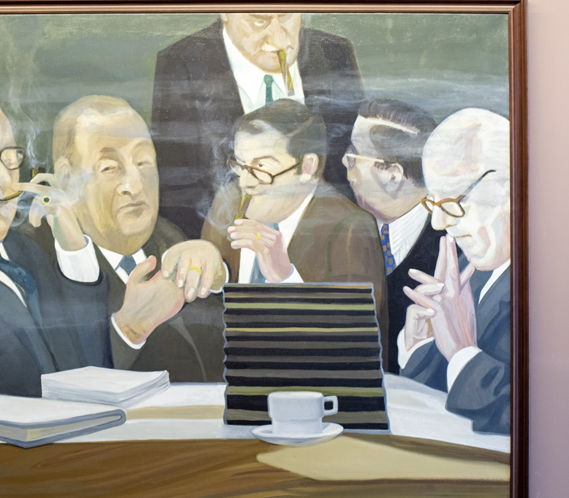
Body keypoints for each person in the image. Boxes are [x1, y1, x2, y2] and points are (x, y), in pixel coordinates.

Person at [0, 92, 182, 425]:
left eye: (9, 159)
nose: (1, 181)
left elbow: (80, 366)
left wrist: (74, 246)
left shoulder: (25, 251)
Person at [24, 95, 227, 382]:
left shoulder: (168, 238)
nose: (134, 185)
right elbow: (57, 379)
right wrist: (129, 329)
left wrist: (218, 272)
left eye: (143, 162)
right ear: (67, 178)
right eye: (108, 168)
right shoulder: (35, 261)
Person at [201, 99, 388, 357]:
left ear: (307, 167)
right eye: (241, 166)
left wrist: (286, 277)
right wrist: (208, 269)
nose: (245, 183)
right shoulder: (229, 200)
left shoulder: (350, 227)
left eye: (261, 168)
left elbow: (353, 337)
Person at [152, 13, 365, 238]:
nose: (279, 40)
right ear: (225, 12)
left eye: (286, 16)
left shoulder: (335, 53)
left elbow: (349, 166)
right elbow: (177, 191)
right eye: (259, 21)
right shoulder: (181, 63)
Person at [400, 108, 512, 434]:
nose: (438, 223)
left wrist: (461, 350)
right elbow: (441, 396)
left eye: (452, 201)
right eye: (433, 203)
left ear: (508, 189)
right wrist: (424, 344)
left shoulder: (563, 281)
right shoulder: (468, 268)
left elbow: (538, 414)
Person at [343, 99, 443, 374]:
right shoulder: (342, 227)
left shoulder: (454, 244)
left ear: (392, 175)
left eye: (354, 158)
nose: (344, 163)